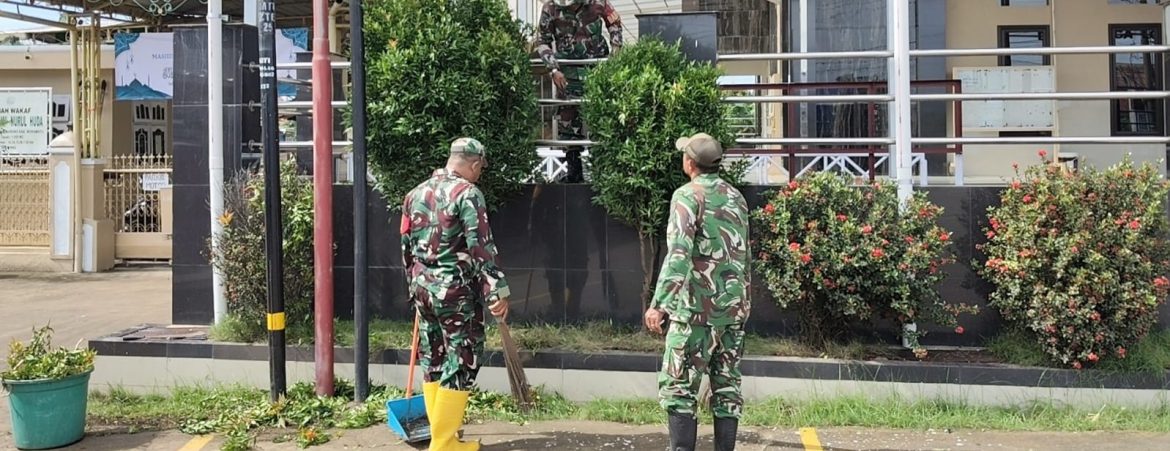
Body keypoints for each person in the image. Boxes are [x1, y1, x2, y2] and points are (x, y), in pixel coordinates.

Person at [400, 137, 510, 451]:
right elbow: (481, 248)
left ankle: (441, 438)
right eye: (481, 168)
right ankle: (445, 444)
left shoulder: (415, 193)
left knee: (433, 359)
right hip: (455, 291)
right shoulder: (469, 194)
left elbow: (406, 247)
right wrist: (496, 292)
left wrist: (414, 285)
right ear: (474, 163)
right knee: (461, 359)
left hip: (422, 287)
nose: (480, 174)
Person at [643, 133, 751, 451]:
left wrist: (659, 305)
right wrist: (742, 304)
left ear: (690, 163)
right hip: (732, 311)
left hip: (695, 313)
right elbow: (745, 255)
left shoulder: (687, 196)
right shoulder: (736, 197)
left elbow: (679, 254)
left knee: (678, 386)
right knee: (727, 386)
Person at [535, 0, 624, 182]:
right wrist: (553, 69)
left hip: (597, 73)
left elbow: (614, 23)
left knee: (602, 122)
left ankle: (603, 173)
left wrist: (616, 52)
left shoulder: (598, 3)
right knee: (567, 123)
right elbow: (542, 41)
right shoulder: (550, 8)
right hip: (567, 77)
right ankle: (574, 173)